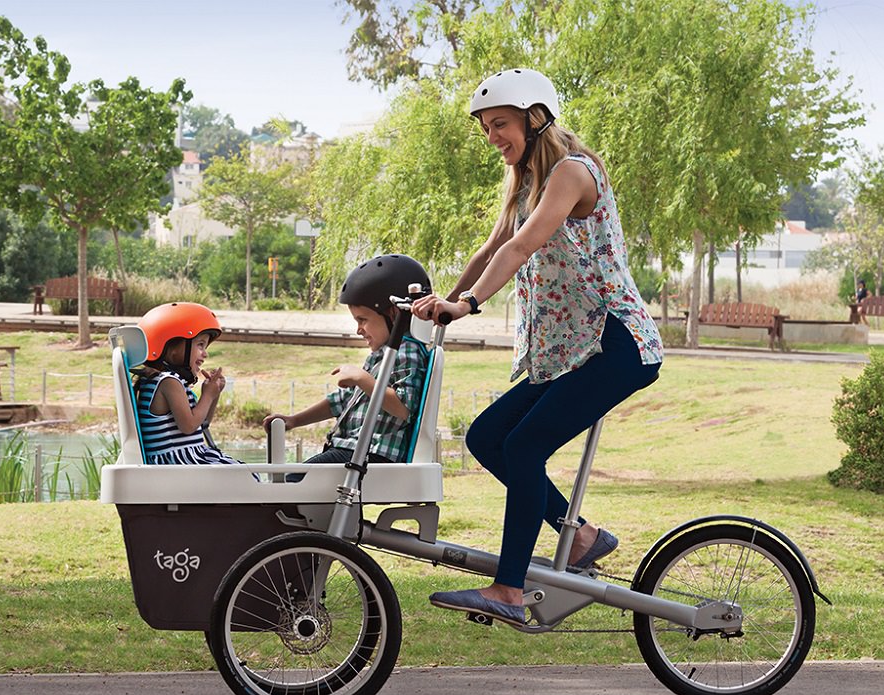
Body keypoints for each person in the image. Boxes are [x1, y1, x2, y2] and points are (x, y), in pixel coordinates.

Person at [412, 68, 664, 627]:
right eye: (486, 129)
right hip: (572, 349)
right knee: (487, 438)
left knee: (524, 449)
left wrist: (470, 306)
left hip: (614, 341)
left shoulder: (572, 173)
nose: (493, 137)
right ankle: (585, 538)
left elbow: (526, 244)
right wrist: (443, 303)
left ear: (535, 117)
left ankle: (508, 589)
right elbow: (493, 247)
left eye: (500, 124)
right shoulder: (528, 182)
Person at [264, 254, 431, 468]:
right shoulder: (381, 355)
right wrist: (294, 420)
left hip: (371, 453)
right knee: (297, 486)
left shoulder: (408, 352)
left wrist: (363, 379)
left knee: (295, 484)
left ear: (394, 313)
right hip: (351, 450)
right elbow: (342, 400)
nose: (358, 329)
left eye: (363, 320)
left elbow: (403, 409)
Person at [134, 302, 241, 466]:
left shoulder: (162, 381)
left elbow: (202, 423)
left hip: (184, 461)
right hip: (179, 464)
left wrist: (213, 394)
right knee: (246, 477)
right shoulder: (168, 382)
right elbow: (189, 426)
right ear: (171, 348)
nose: (205, 353)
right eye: (200, 345)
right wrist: (207, 395)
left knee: (244, 474)